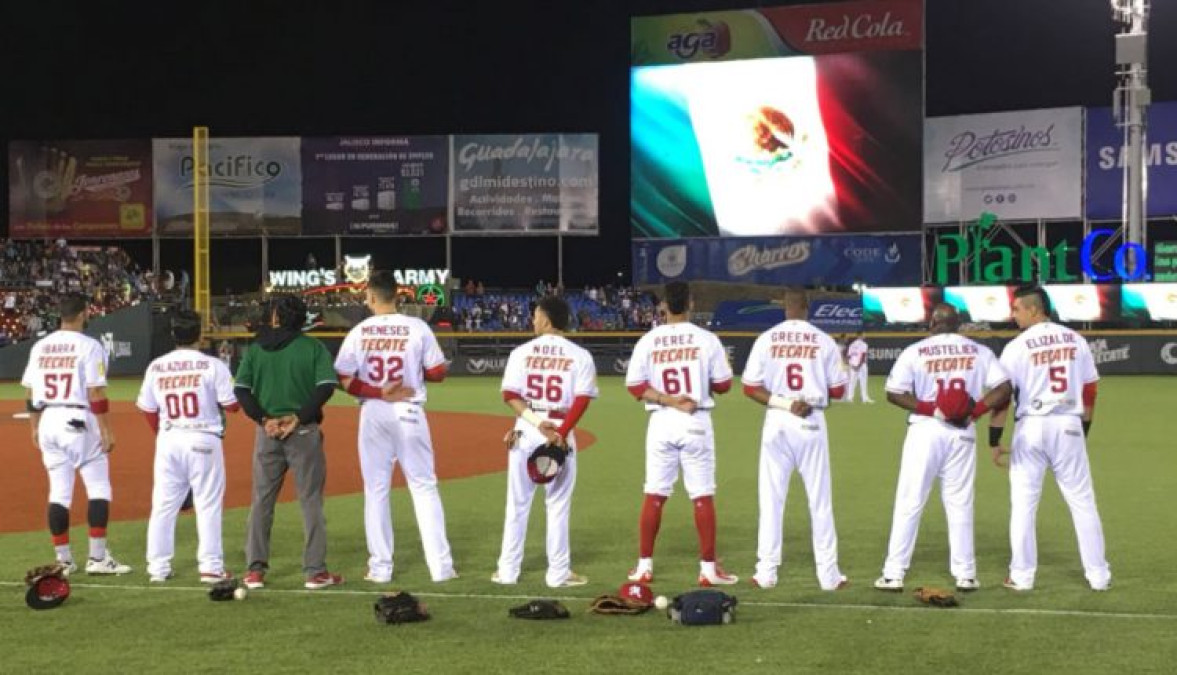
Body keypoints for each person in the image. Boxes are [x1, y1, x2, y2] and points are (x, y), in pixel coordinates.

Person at [873, 304, 1011, 592]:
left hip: (925, 430)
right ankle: (966, 574)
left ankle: (893, 574)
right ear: (958, 324)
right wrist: (975, 412)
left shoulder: (915, 351)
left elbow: (893, 393)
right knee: (960, 502)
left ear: (933, 323)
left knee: (910, 501)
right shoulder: (979, 351)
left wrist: (932, 409)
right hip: (962, 432)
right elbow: (1003, 389)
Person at [334, 271, 457, 584]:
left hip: (373, 411)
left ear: (372, 297)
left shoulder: (359, 331)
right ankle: (441, 569)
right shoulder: (417, 327)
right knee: (424, 487)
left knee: (376, 490)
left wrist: (377, 391)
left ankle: (380, 568)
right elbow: (439, 372)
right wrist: (414, 372)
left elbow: (344, 379)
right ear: (397, 296)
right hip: (409, 409)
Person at [990, 286, 1111, 592]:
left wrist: (994, 439)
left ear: (1034, 309)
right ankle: (1098, 576)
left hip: (1030, 426)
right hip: (1068, 423)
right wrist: (1082, 432)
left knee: (1023, 505)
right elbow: (1090, 391)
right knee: (1083, 502)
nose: (1013, 314)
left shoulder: (1017, 347)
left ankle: (1021, 576)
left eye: (1017, 308)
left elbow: (1003, 397)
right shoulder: (1076, 339)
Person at [624, 282, 736, 586]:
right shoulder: (707, 339)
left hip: (661, 421)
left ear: (663, 306)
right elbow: (725, 385)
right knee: (701, 495)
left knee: (655, 494)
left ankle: (644, 567)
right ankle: (708, 570)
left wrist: (665, 398)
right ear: (690, 303)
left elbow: (635, 387)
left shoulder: (649, 340)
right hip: (695, 420)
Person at [234, 295, 343, 591]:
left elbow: (242, 390)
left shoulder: (257, 347)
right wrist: (298, 418)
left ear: (276, 317)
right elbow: (326, 386)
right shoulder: (312, 347)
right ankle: (315, 572)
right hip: (303, 433)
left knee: (261, 501)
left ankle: (255, 571)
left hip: (267, 434)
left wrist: (264, 420)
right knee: (310, 501)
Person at [742, 290, 848, 590]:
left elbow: (750, 388)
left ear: (785, 308)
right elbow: (838, 391)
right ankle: (828, 576)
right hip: (810, 420)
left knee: (771, 500)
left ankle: (765, 573)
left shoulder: (767, 338)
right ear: (806, 308)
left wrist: (784, 402)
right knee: (820, 501)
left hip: (777, 419)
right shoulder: (823, 339)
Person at [21, 293, 131, 575]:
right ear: (83, 314)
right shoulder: (89, 346)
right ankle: (97, 558)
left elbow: (31, 393)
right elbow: (96, 391)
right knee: (98, 488)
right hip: (78, 418)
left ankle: (64, 560)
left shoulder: (41, 346)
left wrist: (34, 426)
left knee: (59, 492)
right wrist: (106, 429)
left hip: (48, 420)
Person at [494, 296, 597, 588]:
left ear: (548, 319)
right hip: (561, 431)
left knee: (517, 504)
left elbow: (509, 396)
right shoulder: (579, 355)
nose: (533, 320)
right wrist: (560, 432)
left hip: (526, 427)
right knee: (558, 505)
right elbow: (582, 400)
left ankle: (507, 571)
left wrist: (537, 423)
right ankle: (558, 574)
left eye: (537, 315)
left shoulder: (522, 352)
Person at [137, 311, 240, 583]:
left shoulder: (157, 366)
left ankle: (157, 568)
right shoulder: (212, 365)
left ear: (174, 335)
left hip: (169, 438)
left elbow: (148, 409)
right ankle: (210, 567)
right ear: (200, 335)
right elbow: (232, 405)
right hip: (203, 438)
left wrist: (162, 434)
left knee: (163, 505)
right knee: (208, 504)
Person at [844, 332, 873, 402]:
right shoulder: (864, 344)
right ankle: (864, 398)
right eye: (863, 334)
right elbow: (863, 356)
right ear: (860, 336)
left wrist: (851, 364)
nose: (865, 336)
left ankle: (849, 398)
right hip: (861, 365)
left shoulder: (852, 344)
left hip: (853, 365)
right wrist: (858, 366)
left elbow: (848, 356)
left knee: (852, 382)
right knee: (863, 381)